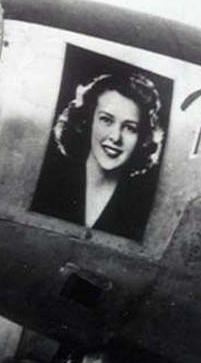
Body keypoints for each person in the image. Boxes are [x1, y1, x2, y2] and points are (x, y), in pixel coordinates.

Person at [30, 71, 164, 240]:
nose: (115, 137)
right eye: (106, 120)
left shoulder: (144, 206)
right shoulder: (47, 181)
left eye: (130, 128)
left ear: (142, 138)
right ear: (87, 120)